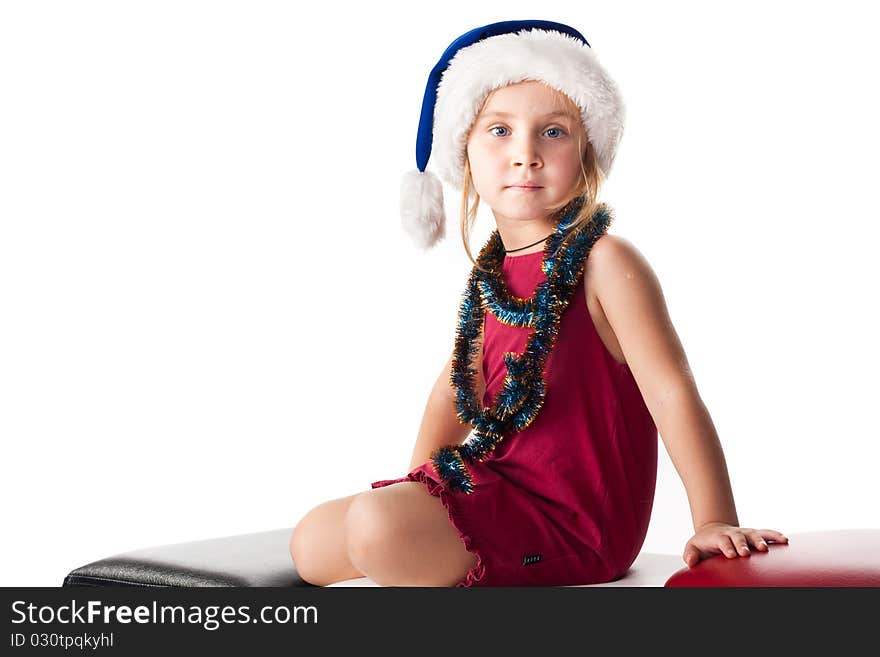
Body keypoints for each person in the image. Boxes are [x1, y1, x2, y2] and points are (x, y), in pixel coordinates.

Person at [289, 19, 788, 587]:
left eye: (552, 133)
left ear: (586, 154)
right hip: (499, 482)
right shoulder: (492, 277)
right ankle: (412, 542)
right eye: (499, 131)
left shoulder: (605, 262)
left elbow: (671, 390)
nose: (525, 154)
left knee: (377, 527)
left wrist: (715, 518)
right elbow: (454, 391)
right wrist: (423, 486)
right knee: (312, 541)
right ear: (465, 153)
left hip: (576, 521)